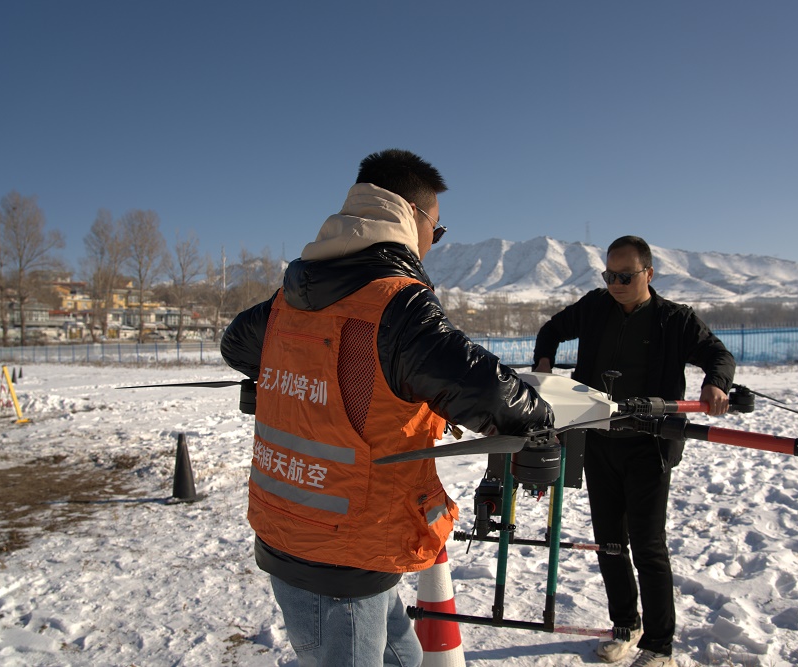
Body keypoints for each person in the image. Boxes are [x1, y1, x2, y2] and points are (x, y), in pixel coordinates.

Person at [220, 148, 554, 667]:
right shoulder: (396, 302)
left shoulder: (292, 297)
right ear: (413, 219)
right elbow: (488, 394)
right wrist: (539, 416)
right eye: (437, 233)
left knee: (405, 657)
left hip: (285, 524)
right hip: (348, 549)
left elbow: (237, 345)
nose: (433, 245)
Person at [533, 235, 735, 667]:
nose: (616, 283)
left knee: (647, 545)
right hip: (599, 440)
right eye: (609, 275)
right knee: (609, 542)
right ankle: (625, 624)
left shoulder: (674, 320)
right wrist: (544, 364)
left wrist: (715, 382)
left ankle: (660, 644)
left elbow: (717, 354)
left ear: (648, 274)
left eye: (625, 276)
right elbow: (551, 330)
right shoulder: (594, 307)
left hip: (650, 447)